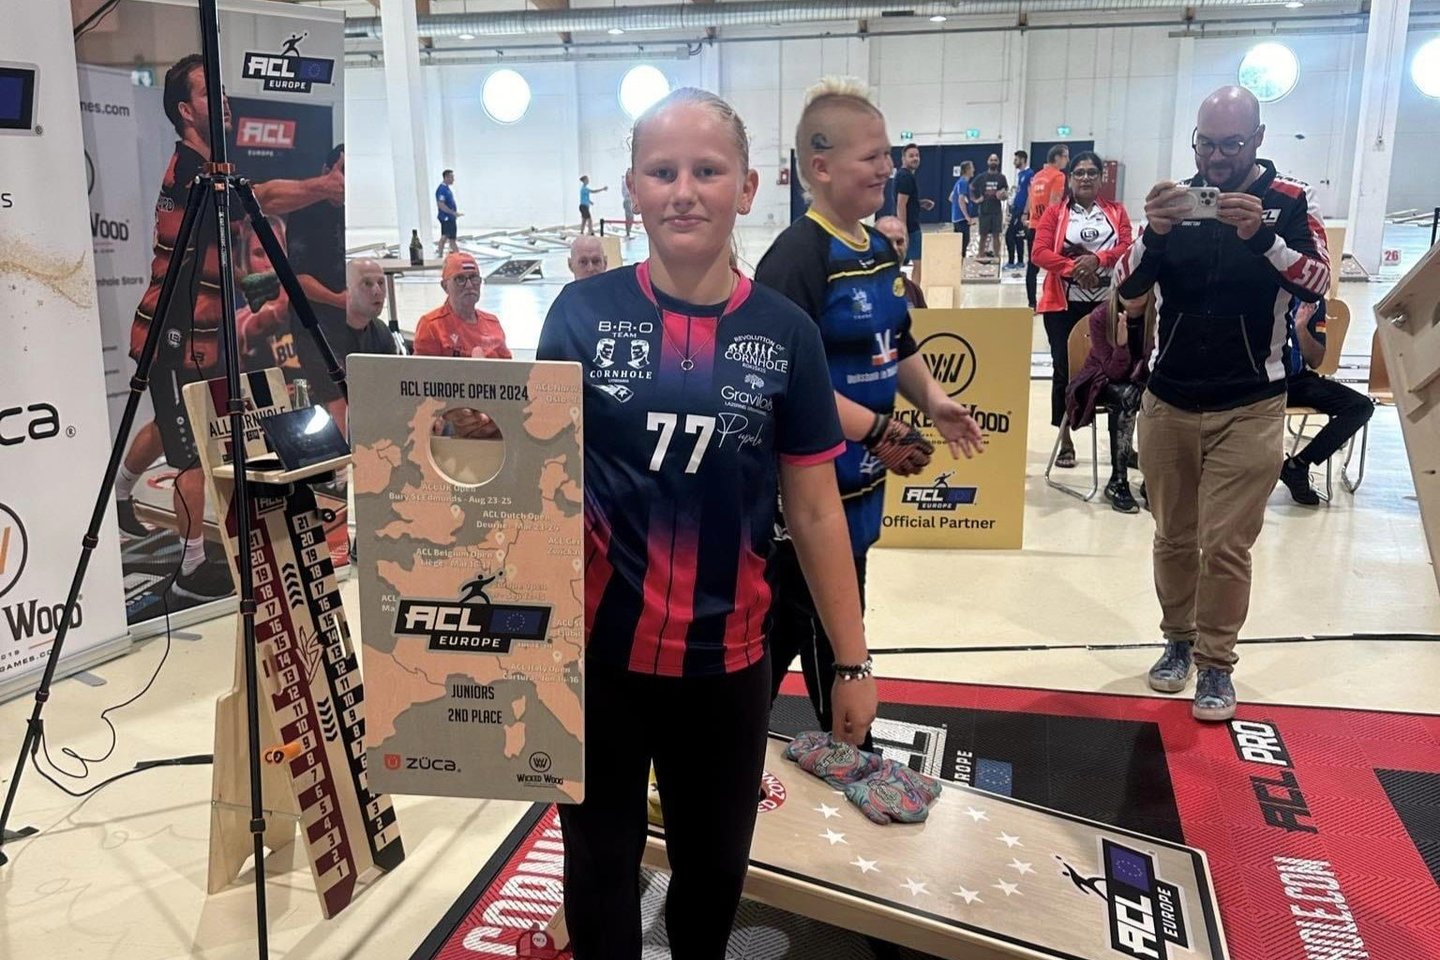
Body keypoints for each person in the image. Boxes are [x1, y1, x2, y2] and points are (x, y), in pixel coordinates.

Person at [536, 86, 877, 960]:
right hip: (596, 663)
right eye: (662, 172)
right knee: (597, 875)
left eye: (708, 171)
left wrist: (850, 661)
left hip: (727, 665)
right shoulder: (579, 316)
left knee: (713, 878)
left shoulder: (786, 334)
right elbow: (533, 491)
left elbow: (814, 509)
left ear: (749, 187)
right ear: (631, 190)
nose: (684, 191)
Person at [757, 78, 983, 750]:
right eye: (872, 156)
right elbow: (783, 381)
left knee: (808, 623)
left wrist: (933, 400)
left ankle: (807, 746)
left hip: (859, 489)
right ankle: (841, 751)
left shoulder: (878, 249)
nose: (888, 168)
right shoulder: (797, 259)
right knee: (812, 626)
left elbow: (898, 342)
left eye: (888, 153)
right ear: (821, 167)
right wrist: (878, 429)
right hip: (805, 503)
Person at [1118, 86, 1330, 721]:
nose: (1215, 158)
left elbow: (1318, 281)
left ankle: (1216, 664)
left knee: (1227, 545)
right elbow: (1125, 288)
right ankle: (1177, 641)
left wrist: (1261, 237)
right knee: (1172, 536)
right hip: (1169, 401)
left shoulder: (1290, 202)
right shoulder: (1177, 201)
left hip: (1251, 403)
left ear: (1258, 139)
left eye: (1231, 144)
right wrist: (1154, 233)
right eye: (1205, 144)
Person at [114, 52, 343, 603]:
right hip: (172, 335)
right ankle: (191, 567)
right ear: (184, 111)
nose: (223, 104)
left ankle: (121, 494)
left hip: (205, 337)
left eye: (222, 94)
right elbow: (261, 198)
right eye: (208, 95)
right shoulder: (189, 172)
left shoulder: (211, 166)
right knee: (191, 453)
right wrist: (324, 186)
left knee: (173, 426)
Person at [1033, 151, 1133, 469]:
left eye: (1092, 172)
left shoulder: (1116, 211)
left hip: (1108, 306)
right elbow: (1039, 252)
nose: (1086, 177)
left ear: (1101, 178)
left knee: (1120, 373)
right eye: (1079, 172)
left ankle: (1122, 447)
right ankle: (1066, 439)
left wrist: (1098, 260)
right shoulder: (1055, 213)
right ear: (1070, 178)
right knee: (1065, 371)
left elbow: (1127, 247)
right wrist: (1075, 268)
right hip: (1063, 307)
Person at [1278, 298, 1374, 505]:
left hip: (1298, 381)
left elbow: (1315, 360)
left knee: (1361, 407)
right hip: (1260, 381)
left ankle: (1297, 465)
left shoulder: (1310, 299)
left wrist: (1301, 327)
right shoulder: (1258, 289)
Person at [1065, 290, 1154, 513]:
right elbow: (1114, 372)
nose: (1133, 291)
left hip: (1142, 380)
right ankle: (1118, 480)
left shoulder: (1160, 313)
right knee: (1127, 395)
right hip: (1100, 380)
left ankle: (1154, 479)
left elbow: (1157, 364)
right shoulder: (1101, 316)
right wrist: (1121, 346)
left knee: (1163, 396)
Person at [292, 258, 399, 435]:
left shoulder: (381, 331)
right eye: (367, 284)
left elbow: (393, 389)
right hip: (321, 433)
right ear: (347, 290)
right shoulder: (321, 338)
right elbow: (338, 410)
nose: (377, 291)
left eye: (381, 283)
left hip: (369, 426)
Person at [412, 252, 512, 359]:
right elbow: (422, 369)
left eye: (474, 277)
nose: (469, 285)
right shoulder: (431, 327)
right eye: (460, 279)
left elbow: (509, 367)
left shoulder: (492, 323)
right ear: (445, 286)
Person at [1026, 144, 1070, 311]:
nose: (1067, 160)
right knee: (1056, 264)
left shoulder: (1037, 176)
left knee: (1032, 267)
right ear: (1057, 158)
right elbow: (1054, 202)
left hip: (1033, 226)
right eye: (1065, 156)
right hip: (1048, 228)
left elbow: (1031, 200)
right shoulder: (1058, 176)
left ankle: (1031, 304)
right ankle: (1053, 302)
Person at [893, 143, 935, 284]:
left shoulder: (903, 175)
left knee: (899, 262)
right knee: (918, 263)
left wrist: (920, 203)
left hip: (907, 226)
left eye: (917, 155)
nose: (915, 158)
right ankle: (915, 293)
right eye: (911, 156)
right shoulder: (906, 177)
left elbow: (906, 201)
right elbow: (901, 205)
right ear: (903, 159)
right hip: (910, 228)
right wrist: (903, 231)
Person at [876, 215, 927, 308]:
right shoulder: (860, 289)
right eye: (887, 242)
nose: (895, 248)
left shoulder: (914, 291)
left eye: (899, 242)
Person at [970, 153, 1009, 263]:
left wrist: (1003, 195)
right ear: (988, 162)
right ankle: (981, 255)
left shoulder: (1001, 178)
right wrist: (975, 200)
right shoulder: (982, 177)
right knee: (983, 235)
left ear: (998, 162)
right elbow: (971, 187)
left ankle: (997, 257)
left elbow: (1006, 192)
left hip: (996, 211)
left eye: (995, 160)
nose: (993, 162)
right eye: (991, 160)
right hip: (984, 210)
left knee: (996, 235)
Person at [1005, 149, 1034, 269]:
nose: (1014, 162)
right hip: (1016, 208)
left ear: (1022, 160)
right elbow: (1018, 192)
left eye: (1016, 160)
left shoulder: (1029, 174)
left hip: (1022, 210)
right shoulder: (1020, 174)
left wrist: (1025, 212)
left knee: (1009, 235)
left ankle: (1011, 262)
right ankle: (1020, 262)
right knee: (1018, 236)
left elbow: (1031, 194)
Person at [948, 160, 975, 260]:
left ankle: (958, 264)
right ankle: (959, 265)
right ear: (967, 170)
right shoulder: (963, 182)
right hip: (961, 219)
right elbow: (960, 199)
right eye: (972, 168)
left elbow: (951, 197)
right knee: (963, 244)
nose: (974, 170)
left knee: (959, 244)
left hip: (956, 218)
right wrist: (967, 216)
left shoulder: (958, 182)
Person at [435, 169, 459, 257]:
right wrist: (452, 212)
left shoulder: (447, 188)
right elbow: (441, 204)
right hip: (446, 217)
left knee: (450, 237)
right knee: (446, 237)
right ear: (446, 177)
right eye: (451, 177)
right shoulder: (442, 190)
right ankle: (440, 254)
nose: (453, 179)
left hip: (450, 217)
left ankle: (456, 255)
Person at [620, 170, 636, 238]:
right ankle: (628, 233)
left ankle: (628, 232)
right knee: (629, 217)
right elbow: (624, 191)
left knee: (631, 218)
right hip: (627, 200)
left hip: (630, 200)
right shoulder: (625, 182)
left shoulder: (631, 182)